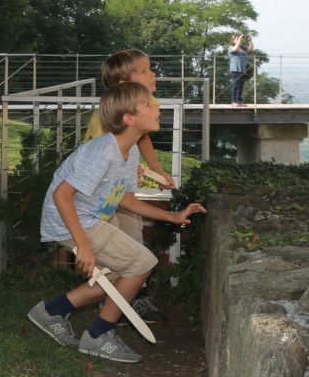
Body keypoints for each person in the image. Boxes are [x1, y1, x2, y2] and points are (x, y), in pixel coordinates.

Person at [28, 82, 206, 363]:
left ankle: (51, 312)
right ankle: (99, 335)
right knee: (141, 263)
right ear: (129, 118)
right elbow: (63, 195)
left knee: (117, 277)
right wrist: (83, 245)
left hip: (85, 217)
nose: (156, 107)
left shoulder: (130, 150)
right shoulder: (102, 151)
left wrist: (172, 217)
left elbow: (125, 200)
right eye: (148, 105)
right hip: (71, 219)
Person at [83, 49, 174, 324]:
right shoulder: (106, 116)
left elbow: (142, 135)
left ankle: (129, 301)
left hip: (122, 188)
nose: (152, 74)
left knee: (134, 240)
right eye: (144, 71)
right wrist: (119, 166)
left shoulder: (143, 101)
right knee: (113, 247)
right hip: (101, 195)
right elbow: (96, 155)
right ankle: (112, 306)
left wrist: (156, 169)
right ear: (125, 86)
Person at [229, 33, 253, 107]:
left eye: (238, 38)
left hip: (243, 69)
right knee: (236, 85)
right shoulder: (231, 47)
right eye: (236, 38)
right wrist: (239, 38)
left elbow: (251, 48)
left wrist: (250, 40)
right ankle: (234, 101)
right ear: (233, 40)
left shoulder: (242, 48)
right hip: (235, 69)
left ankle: (239, 101)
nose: (238, 39)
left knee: (241, 86)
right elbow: (235, 49)